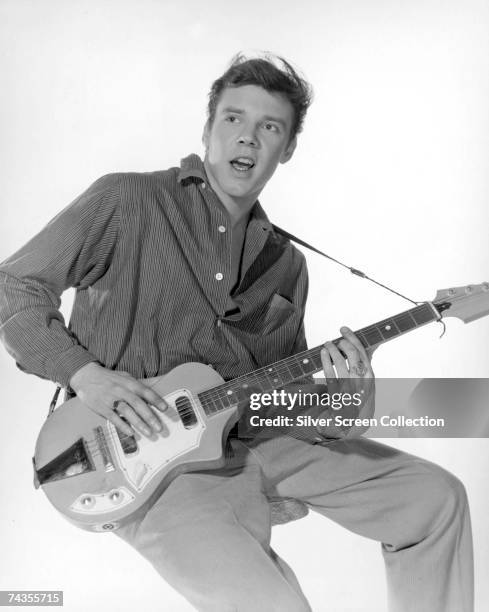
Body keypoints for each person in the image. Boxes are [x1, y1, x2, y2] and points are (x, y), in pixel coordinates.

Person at [0, 53, 473, 612]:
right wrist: (88, 376)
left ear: (287, 148)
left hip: (253, 441)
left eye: (268, 127)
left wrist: (347, 402)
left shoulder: (287, 264)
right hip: (148, 465)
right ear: (207, 129)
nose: (247, 139)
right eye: (232, 119)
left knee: (436, 500)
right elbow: (14, 286)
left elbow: (286, 408)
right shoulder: (127, 200)